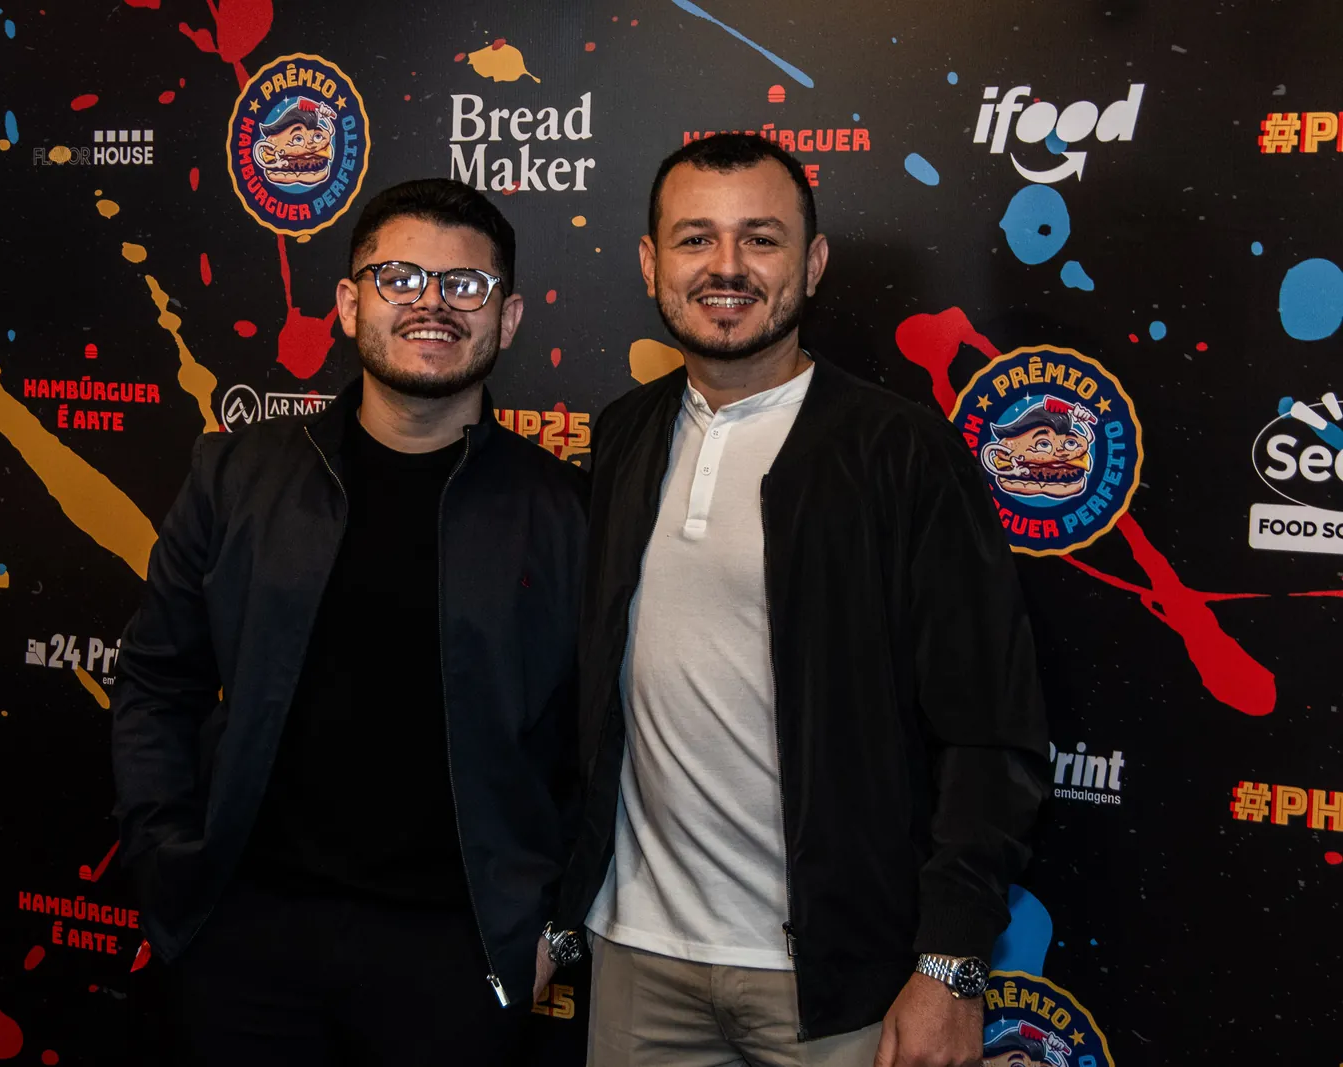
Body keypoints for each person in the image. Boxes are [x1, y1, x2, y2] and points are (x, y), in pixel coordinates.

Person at [550, 134, 1049, 1067]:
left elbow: (990, 731)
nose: (726, 266)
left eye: (761, 238)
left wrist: (951, 962)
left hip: (840, 978)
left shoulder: (901, 452)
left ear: (812, 263)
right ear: (651, 263)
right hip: (638, 952)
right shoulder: (621, 436)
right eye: (695, 238)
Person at [112, 178, 588, 1066]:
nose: (431, 303)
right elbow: (156, 680)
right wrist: (162, 852)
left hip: (456, 959)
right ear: (347, 302)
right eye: (399, 277)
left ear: (509, 317)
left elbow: (597, 748)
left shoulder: (568, 513)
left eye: (466, 285)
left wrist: (552, 930)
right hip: (245, 940)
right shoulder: (234, 474)